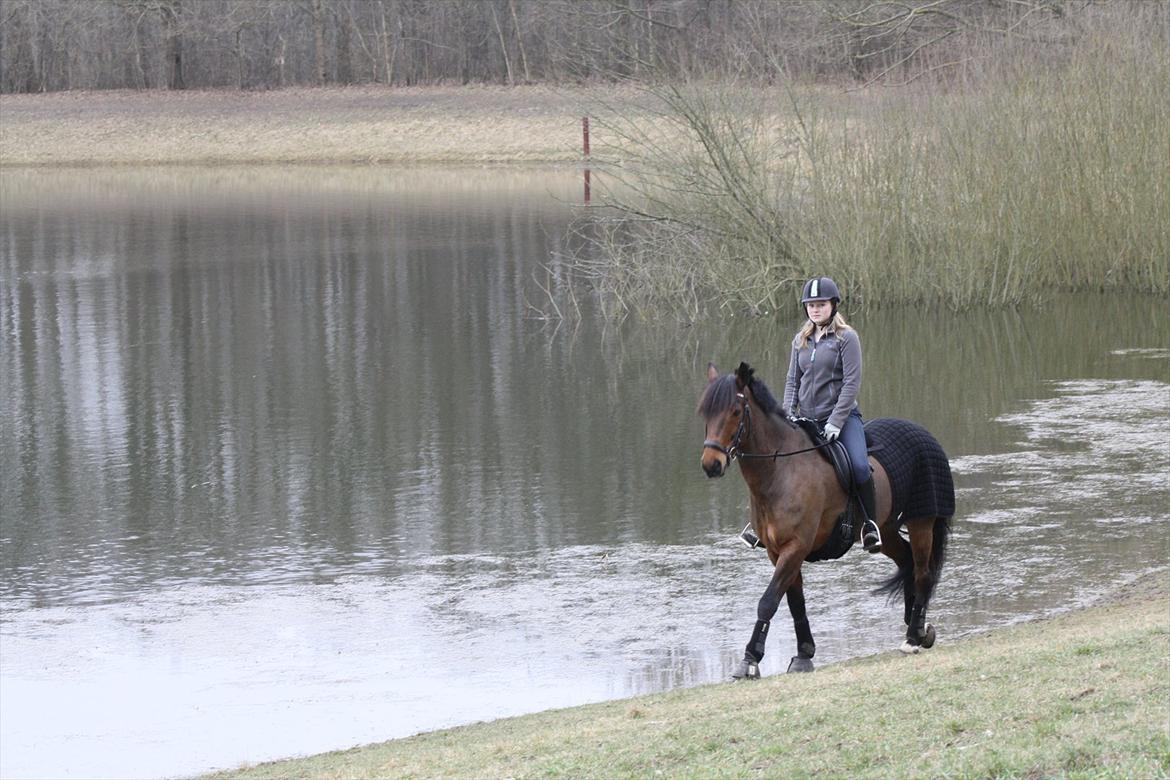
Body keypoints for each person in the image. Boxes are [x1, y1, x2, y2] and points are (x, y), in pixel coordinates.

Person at [741, 276, 881, 553]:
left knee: (860, 467)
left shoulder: (846, 338)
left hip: (842, 418)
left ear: (833, 305)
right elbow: (793, 380)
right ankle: (760, 525)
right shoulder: (800, 340)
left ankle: (869, 525)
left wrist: (836, 422)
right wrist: (785, 416)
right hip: (805, 418)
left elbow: (851, 384)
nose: (815, 309)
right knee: (773, 461)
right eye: (811, 305)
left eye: (821, 304)